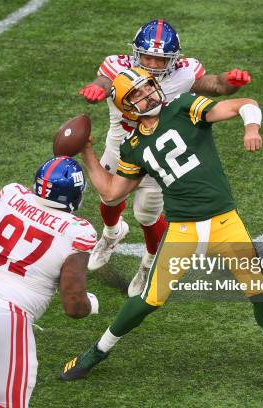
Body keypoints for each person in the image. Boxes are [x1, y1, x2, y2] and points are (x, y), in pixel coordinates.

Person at [59, 68, 263, 391]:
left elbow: (244, 103)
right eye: (137, 95)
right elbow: (112, 193)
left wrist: (251, 127)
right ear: (127, 108)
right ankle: (96, 353)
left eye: (148, 88)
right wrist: (87, 151)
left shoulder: (184, 106)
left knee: (261, 294)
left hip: (225, 222)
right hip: (184, 229)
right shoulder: (133, 145)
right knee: (147, 301)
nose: (148, 95)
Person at [80, 19, 252, 296]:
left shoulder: (184, 74)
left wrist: (230, 83)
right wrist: (97, 89)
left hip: (158, 150)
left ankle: (149, 261)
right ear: (135, 53)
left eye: (160, 59)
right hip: (122, 141)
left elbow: (216, 85)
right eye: (146, 56)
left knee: (147, 214)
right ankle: (112, 233)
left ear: (173, 59)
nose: (151, 63)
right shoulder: (117, 66)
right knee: (109, 197)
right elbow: (102, 80)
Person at [0, 156, 100, 407]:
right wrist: (90, 304)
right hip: (5, 318)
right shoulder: (77, 231)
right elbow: (74, 305)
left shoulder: (12, 195)